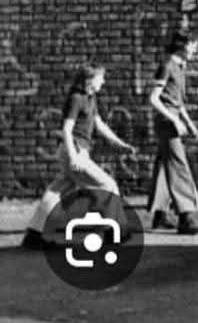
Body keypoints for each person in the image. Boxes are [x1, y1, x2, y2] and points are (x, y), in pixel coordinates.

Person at [21, 63, 137, 249]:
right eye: (101, 78)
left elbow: (100, 125)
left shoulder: (90, 97)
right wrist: (74, 157)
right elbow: (67, 130)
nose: (103, 81)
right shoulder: (76, 99)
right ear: (90, 79)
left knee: (55, 192)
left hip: (77, 152)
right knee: (108, 185)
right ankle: (113, 231)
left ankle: (34, 234)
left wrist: (120, 144)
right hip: (74, 151)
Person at [147, 31, 198, 234]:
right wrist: (174, 120)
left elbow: (176, 101)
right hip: (167, 123)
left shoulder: (179, 67)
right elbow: (154, 99)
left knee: (165, 166)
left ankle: (160, 215)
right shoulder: (167, 66)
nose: (195, 49)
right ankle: (186, 216)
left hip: (173, 120)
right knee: (179, 166)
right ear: (181, 46)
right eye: (192, 45)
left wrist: (188, 122)